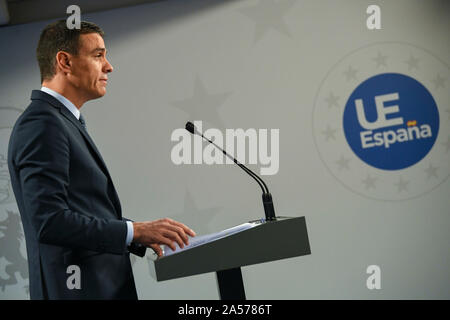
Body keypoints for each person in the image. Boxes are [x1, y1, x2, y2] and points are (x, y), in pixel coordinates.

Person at [7, 20, 195, 300]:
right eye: (98, 55)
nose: (109, 66)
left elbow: (81, 210)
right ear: (64, 62)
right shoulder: (42, 124)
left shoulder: (61, 121)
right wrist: (133, 231)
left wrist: (139, 233)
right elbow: (49, 220)